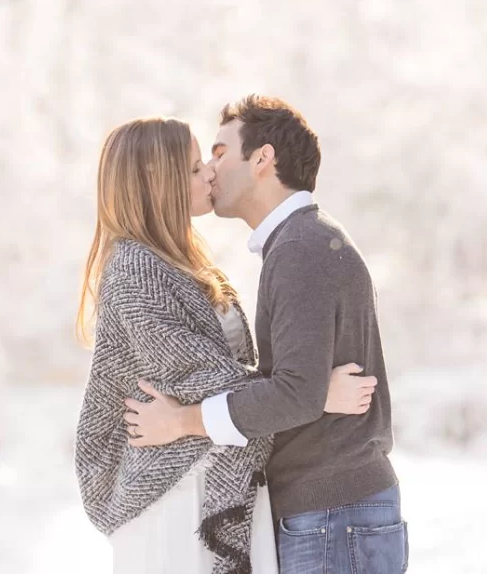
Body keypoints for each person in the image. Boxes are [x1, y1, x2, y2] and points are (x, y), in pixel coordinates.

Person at [74, 116, 376, 573]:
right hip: (171, 494)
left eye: (209, 162)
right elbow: (193, 376)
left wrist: (297, 391)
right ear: (159, 180)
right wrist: (310, 391)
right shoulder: (134, 268)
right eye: (196, 167)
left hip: (214, 483)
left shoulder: (187, 264)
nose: (210, 173)